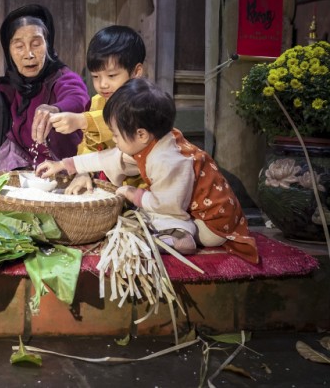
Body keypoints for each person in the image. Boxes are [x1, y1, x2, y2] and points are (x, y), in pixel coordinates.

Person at [36, 78, 259, 263]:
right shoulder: (155, 140)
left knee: (152, 215)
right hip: (196, 212)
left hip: (212, 225)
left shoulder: (167, 159)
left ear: (141, 134)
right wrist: (64, 165)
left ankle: (181, 238)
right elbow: (110, 158)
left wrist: (136, 195)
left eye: (115, 135)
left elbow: (168, 204)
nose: (113, 140)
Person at [0, 4, 90, 175]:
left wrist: (55, 109)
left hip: (59, 170)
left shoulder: (61, 78)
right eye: (19, 46)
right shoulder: (8, 86)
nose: (29, 54)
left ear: (47, 45)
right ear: (8, 51)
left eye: (36, 44)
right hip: (16, 167)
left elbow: (78, 98)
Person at [49, 25, 146, 194]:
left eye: (112, 76)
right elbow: (89, 145)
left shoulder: (145, 100)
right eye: (96, 76)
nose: (102, 84)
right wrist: (84, 172)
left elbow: (123, 121)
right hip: (107, 184)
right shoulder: (98, 101)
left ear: (136, 72)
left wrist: (82, 120)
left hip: (142, 187)